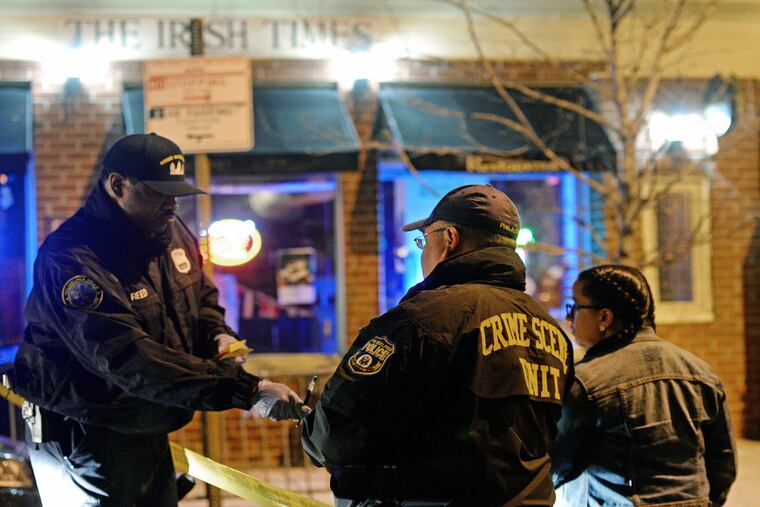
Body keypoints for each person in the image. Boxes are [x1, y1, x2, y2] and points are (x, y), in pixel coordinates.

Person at [11, 133, 307, 506]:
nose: (172, 204)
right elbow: (126, 356)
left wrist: (218, 337)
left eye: (176, 193)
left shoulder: (170, 232)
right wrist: (246, 390)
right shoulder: (73, 258)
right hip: (85, 430)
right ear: (117, 185)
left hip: (143, 421)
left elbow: (201, 300)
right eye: (158, 191)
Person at [302, 184, 575, 506]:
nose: (423, 251)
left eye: (424, 240)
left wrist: (311, 429)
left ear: (449, 239)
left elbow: (335, 434)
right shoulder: (548, 329)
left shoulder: (420, 320)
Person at [551, 265, 736, 506]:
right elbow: (723, 465)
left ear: (604, 317)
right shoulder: (702, 373)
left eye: (575, 307)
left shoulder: (586, 383)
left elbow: (555, 466)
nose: (569, 317)